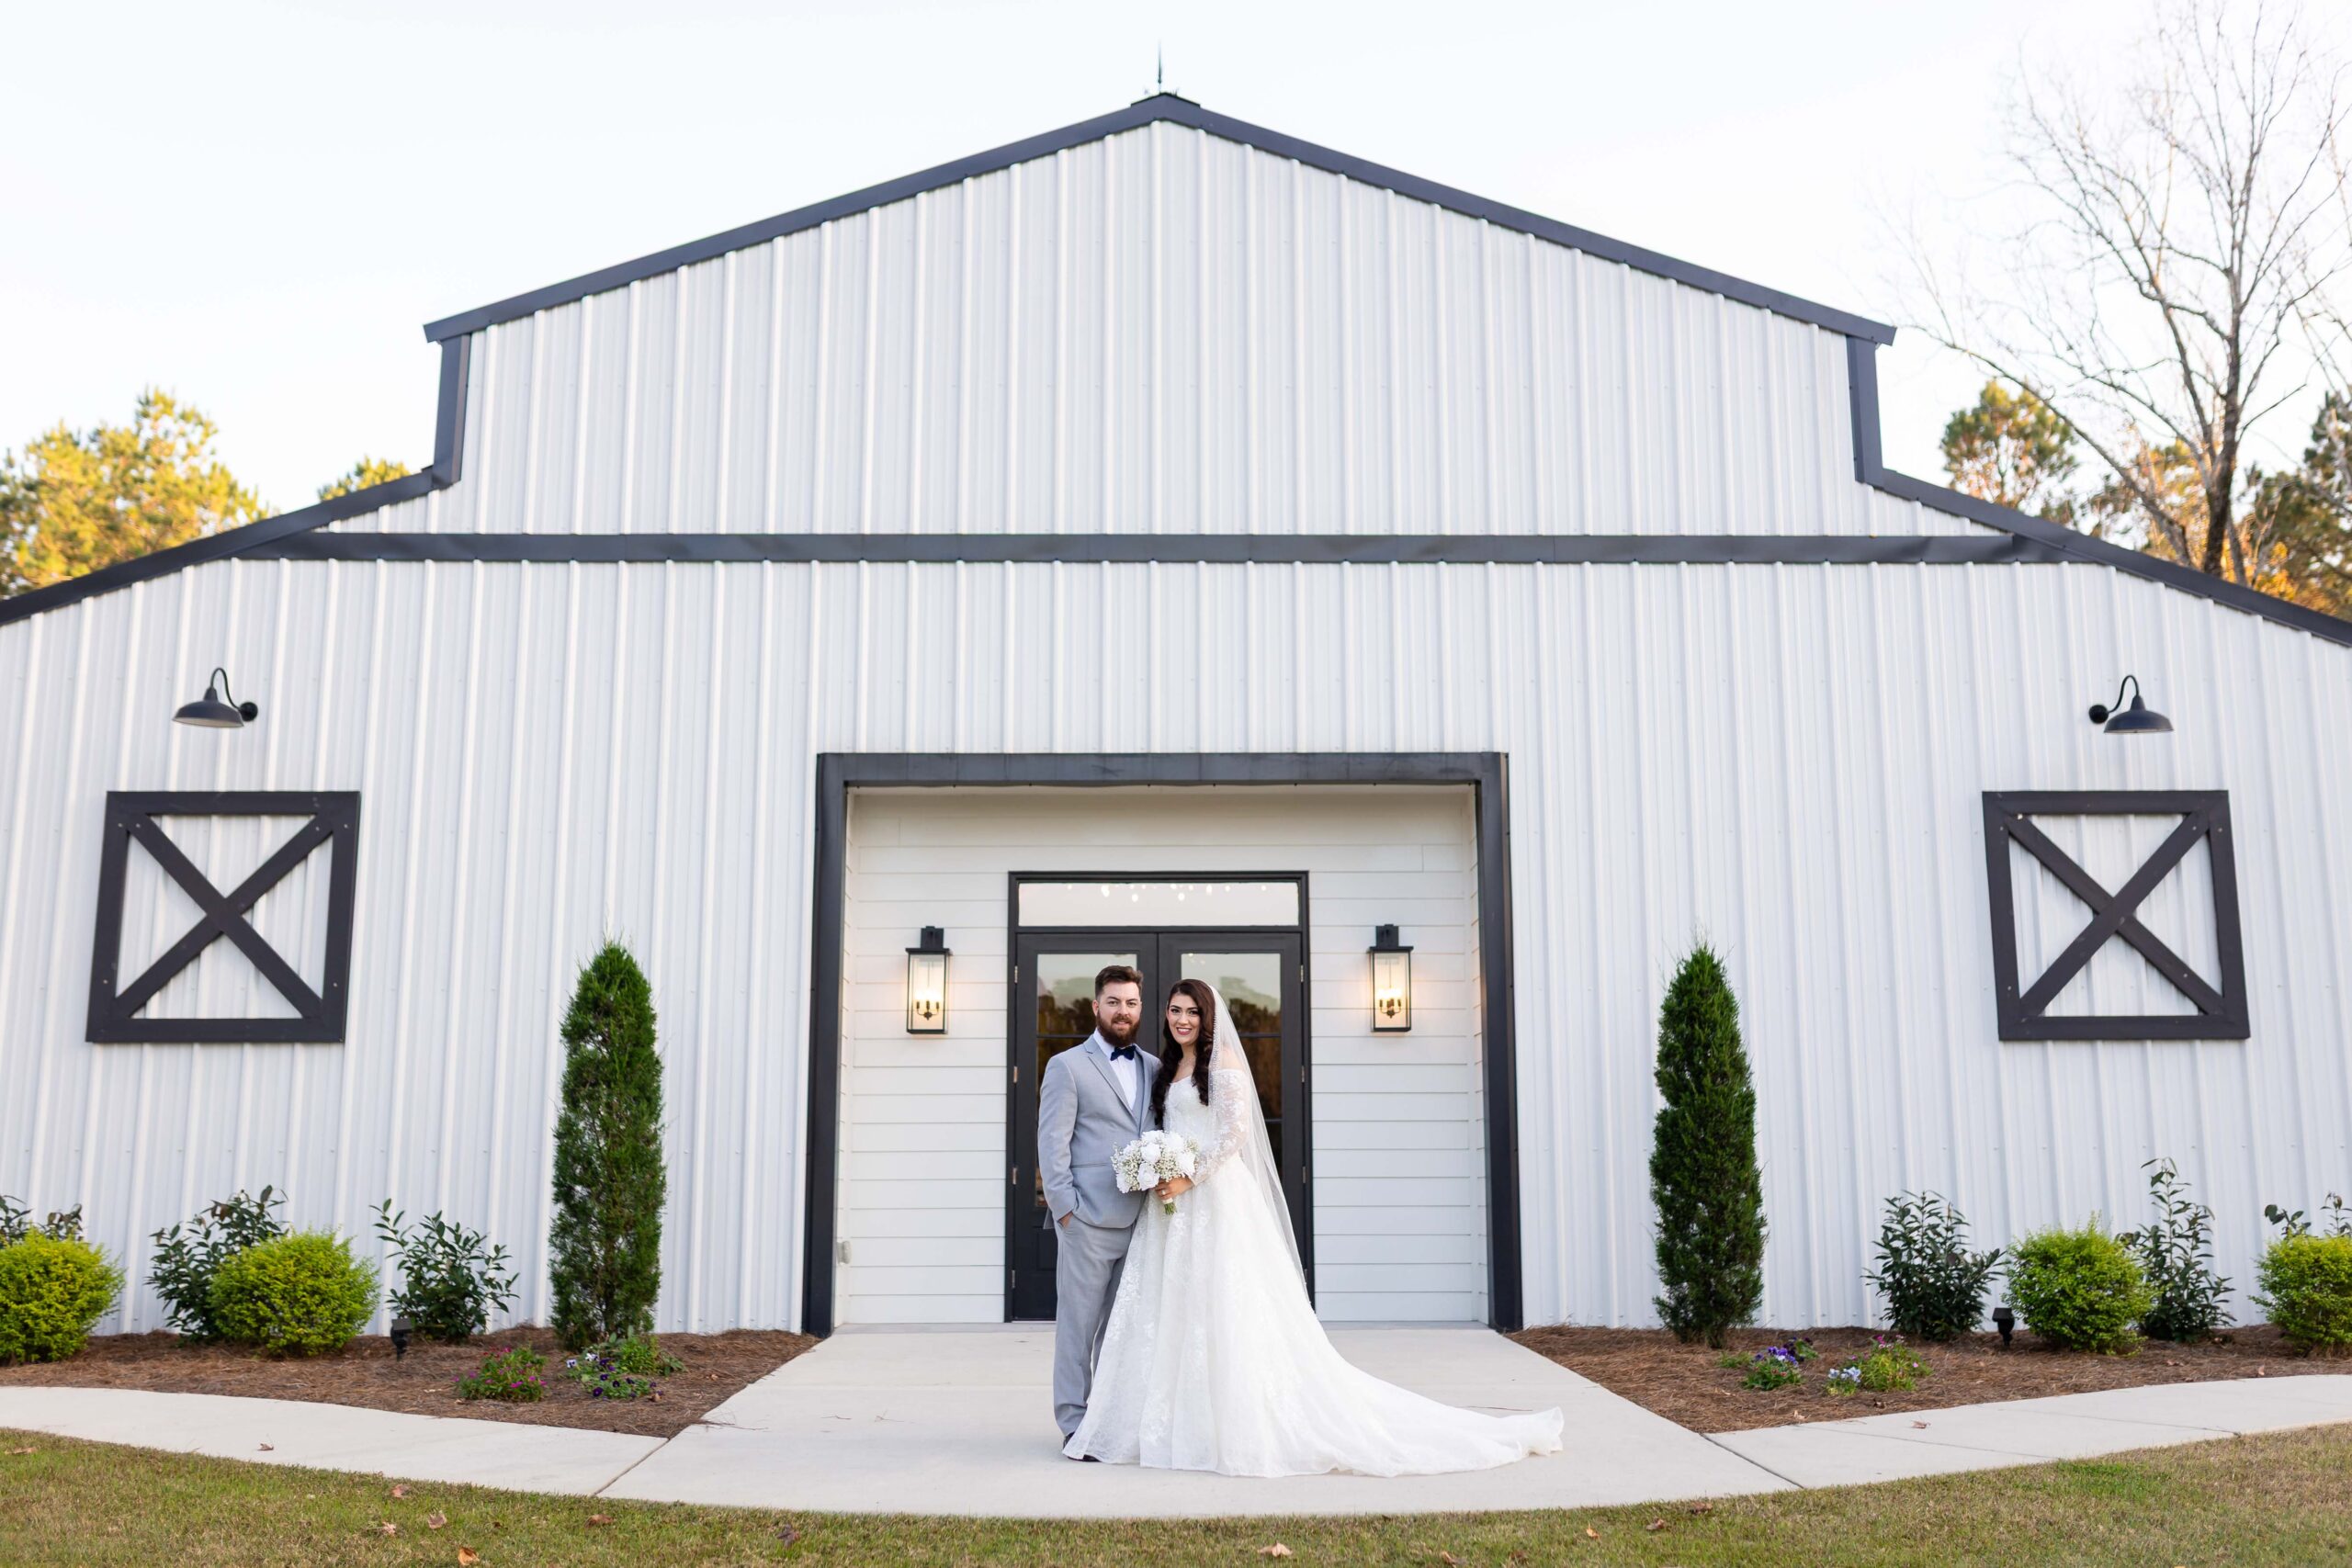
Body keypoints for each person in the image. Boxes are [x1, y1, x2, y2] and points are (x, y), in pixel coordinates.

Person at [1063, 977, 1565, 1476]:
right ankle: (1168, 1422)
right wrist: (1157, 1168)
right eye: (1175, 1010)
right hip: (1170, 1212)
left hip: (1212, 1198)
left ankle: (1233, 1422)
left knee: (1223, 1308)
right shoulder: (1166, 1066)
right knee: (1170, 1313)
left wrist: (1188, 1177)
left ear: (1208, 1016)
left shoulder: (1225, 1067)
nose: (1182, 1020)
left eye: (1192, 1011)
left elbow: (1234, 1134)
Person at [1035, 963, 1152, 1450]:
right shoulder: (1067, 1065)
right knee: (1078, 1328)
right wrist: (1066, 1209)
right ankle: (1073, 1423)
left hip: (1142, 1219)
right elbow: (1051, 1142)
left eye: (1131, 1003)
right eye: (1114, 1002)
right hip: (1086, 1220)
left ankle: (1108, 1416)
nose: (1122, 1011)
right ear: (1096, 1006)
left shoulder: (1153, 1065)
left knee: (1120, 1331)